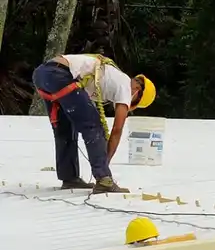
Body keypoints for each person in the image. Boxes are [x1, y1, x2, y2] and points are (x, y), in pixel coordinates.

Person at [31, 53, 156, 193]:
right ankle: (104, 180)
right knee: (94, 126)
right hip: (60, 75)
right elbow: (117, 130)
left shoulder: (110, 76)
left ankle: (70, 178)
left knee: (65, 130)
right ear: (137, 91)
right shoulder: (125, 85)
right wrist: (104, 164)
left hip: (42, 74)